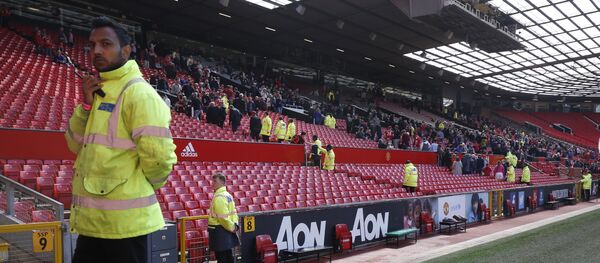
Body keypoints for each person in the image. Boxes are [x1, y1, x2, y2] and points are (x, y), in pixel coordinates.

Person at [65, 16, 177, 263]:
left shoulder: (139, 94)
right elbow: (75, 144)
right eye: (92, 44)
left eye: (105, 44)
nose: (96, 50)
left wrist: (141, 186)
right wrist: (85, 105)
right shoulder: (99, 91)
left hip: (124, 228)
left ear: (126, 50)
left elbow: (159, 160)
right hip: (92, 225)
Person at [208, 173, 239, 263]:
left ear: (222, 183)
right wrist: (235, 225)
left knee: (222, 258)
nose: (212, 183)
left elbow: (222, 217)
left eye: (215, 181)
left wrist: (232, 227)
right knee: (228, 256)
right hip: (226, 229)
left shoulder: (219, 197)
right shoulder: (228, 195)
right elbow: (234, 212)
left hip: (219, 231)